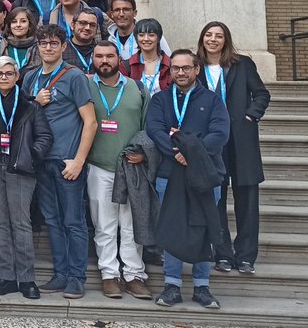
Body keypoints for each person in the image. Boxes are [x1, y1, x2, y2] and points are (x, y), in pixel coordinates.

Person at [145, 49, 231, 309]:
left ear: (196, 70)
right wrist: (178, 151)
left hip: (202, 173)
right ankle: (172, 284)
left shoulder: (213, 100)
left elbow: (220, 132)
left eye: (185, 68)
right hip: (169, 173)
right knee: (173, 227)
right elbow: (155, 129)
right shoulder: (160, 99)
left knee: (203, 226)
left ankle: (202, 286)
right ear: (170, 71)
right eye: (175, 68)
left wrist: (191, 152)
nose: (180, 72)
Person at [20, 23, 97, 299]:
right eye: (43, 44)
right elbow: (23, 116)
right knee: (52, 220)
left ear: (64, 47)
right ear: (37, 48)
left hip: (67, 160)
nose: (48, 48)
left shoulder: (74, 77)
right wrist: (34, 101)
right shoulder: (30, 78)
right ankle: (60, 273)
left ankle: (77, 277)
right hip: (42, 160)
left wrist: (78, 160)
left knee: (73, 221)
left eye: (54, 43)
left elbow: (90, 122)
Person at [198, 21, 270, 276]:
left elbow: (262, 94)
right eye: (209, 35)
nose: (213, 40)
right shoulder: (196, 67)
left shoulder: (243, 64)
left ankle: (247, 255)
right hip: (211, 141)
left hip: (242, 139)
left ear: (226, 40)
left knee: (247, 199)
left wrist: (251, 115)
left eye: (219, 36)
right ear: (202, 39)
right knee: (215, 198)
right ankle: (223, 254)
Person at [86, 41, 152, 300]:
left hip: (132, 168)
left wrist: (144, 153)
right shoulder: (86, 86)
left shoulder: (137, 88)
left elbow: (148, 126)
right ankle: (109, 274)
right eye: (99, 56)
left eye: (110, 56)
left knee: (131, 224)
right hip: (99, 165)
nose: (104, 60)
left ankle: (134, 275)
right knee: (103, 223)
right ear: (93, 59)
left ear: (119, 59)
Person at [0, 55, 51, 299]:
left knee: (21, 223)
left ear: (17, 77)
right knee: (0, 223)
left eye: (9, 74)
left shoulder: (29, 106)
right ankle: (6, 276)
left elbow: (44, 137)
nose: (4, 78)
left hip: (20, 168)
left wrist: (30, 157)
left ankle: (26, 278)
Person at [0, 7, 39, 81]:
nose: (18, 25)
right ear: (9, 25)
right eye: (14, 22)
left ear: (30, 25)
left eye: (23, 21)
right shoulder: (0, 47)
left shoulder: (39, 47)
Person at [125, 18, 171, 94]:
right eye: (141, 35)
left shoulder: (170, 64)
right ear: (136, 38)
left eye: (151, 35)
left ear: (158, 38)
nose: (146, 39)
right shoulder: (127, 66)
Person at [62, 8, 101, 76]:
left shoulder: (102, 50)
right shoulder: (61, 50)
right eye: (83, 23)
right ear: (72, 25)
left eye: (92, 25)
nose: (87, 28)